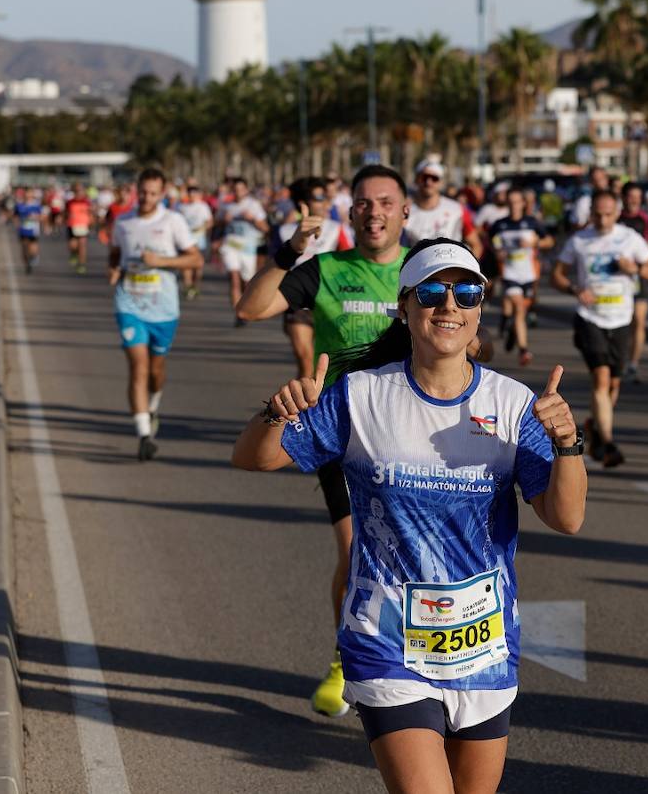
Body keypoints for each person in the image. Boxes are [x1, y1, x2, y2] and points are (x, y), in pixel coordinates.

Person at [232, 237, 586, 794]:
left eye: (465, 293)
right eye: (431, 292)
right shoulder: (362, 395)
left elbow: (566, 518)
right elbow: (253, 457)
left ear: (479, 313)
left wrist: (567, 443)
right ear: (404, 305)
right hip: (386, 641)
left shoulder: (515, 404)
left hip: (484, 646)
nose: (449, 305)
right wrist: (277, 411)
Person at [235, 165, 413, 719]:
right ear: (350, 212)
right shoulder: (327, 270)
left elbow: (470, 332)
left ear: (404, 212)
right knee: (356, 549)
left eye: (386, 201)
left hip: (417, 434)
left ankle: (415, 654)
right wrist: (290, 251)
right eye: (363, 202)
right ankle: (348, 657)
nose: (374, 211)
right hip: (347, 434)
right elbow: (250, 308)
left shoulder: (426, 267)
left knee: (412, 555)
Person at [552, 189, 648, 468]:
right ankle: (608, 442)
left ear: (617, 213)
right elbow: (556, 275)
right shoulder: (579, 240)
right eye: (598, 214)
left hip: (622, 319)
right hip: (590, 318)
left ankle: (595, 425)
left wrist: (635, 269)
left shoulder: (629, 239)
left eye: (608, 214)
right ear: (591, 213)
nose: (602, 220)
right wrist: (575, 289)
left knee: (613, 383)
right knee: (601, 379)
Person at [108, 168, 203, 462]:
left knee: (155, 371)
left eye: (153, 193)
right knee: (138, 366)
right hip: (129, 303)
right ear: (137, 190)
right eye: (143, 192)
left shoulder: (172, 221)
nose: (147, 198)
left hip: (163, 308)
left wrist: (160, 260)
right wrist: (113, 269)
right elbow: (115, 252)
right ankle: (144, 435)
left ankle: (153, 404)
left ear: (162, 194)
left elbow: (195, 258)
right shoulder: (123, 221)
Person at [275, 177, 354, 379]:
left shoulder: (337, 229)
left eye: (327, 197)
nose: (326, 202)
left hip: (330, 305)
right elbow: (274, 268)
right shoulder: (284, 231)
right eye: (319, 197)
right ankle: (304, 409)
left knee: (327, 367)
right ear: (303, 204)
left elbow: (353, 262)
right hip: (297, 306)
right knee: (305, 361)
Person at [489, 187, 552, 366]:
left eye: (517, 202)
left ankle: (509, 328)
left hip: (529, 274)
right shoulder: (500, 224)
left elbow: (549, 241)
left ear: (523, 203)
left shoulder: (532, 223)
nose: (514, 205)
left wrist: (535, 242)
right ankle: (523, 350)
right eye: (511, 202)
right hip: (509, 273)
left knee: (519, 310)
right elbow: (493, 241)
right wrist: (497, 252)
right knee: (519, 308)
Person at [218, 178, 268, 326]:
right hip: (230, 245)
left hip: (248, 248)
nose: (238, 193)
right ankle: (239, 314)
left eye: (241, 189)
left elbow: (265, 228)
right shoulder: (227, 205)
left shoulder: (254, 205)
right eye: (235, 190)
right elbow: (216, 223)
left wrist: (252, 219)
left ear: (246, 190)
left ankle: (246, 307)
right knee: (234, 278)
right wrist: (224, 221)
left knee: (247, 283)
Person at [406, 158, 482, 255]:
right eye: (424, 177)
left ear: (441, 182)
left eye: (434, 178)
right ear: (416, 179)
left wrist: (466, 268)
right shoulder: (404, 210)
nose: (428, 182)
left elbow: (476, 245)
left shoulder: (457, 209)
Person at [618, 183, 648, 382]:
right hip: (616, 279)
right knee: (624, 322)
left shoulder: (644, 219)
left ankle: (633, 364)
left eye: (638, 197)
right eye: (631, 196)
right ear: (623, 197)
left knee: (639, 321)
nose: (634, 200)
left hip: (637, 277)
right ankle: (620, 361)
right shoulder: (616, 218)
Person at [174, 184, 214, 300]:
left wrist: (203, 229)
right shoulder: (180, 206)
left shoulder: (202, 206)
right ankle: (188, 287)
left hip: (199, 240)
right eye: (189, 194)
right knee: (186, 264)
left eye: (194, 194)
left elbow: (210, 222)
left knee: (197, 265)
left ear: (197, 195)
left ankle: (195, 286)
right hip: (185, 239)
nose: (191, 196)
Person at [64, 182, 94, 275]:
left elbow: (91, 213)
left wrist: (91, 221)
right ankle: (73, 254)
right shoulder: (70, 202)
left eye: (80, 191)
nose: (79, 193)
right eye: (76, 191)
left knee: (82, 246)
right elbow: (65, 213)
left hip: (83, 226)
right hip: (72, 225)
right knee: (73, 245)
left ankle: (82, 264)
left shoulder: (87, 202)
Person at [14, 190, 46, 274]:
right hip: (23, 230)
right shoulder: (19, 205)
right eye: (26, 195)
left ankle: (33, 257)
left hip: (33, 230)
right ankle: (27, 265)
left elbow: (43, 217)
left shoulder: (36, 206)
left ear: (32, 196)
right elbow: (15, 216)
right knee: (24, 248)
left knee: (33, 248)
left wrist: (36, 217)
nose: (28, 197)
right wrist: (17, 224)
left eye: (30, 195)